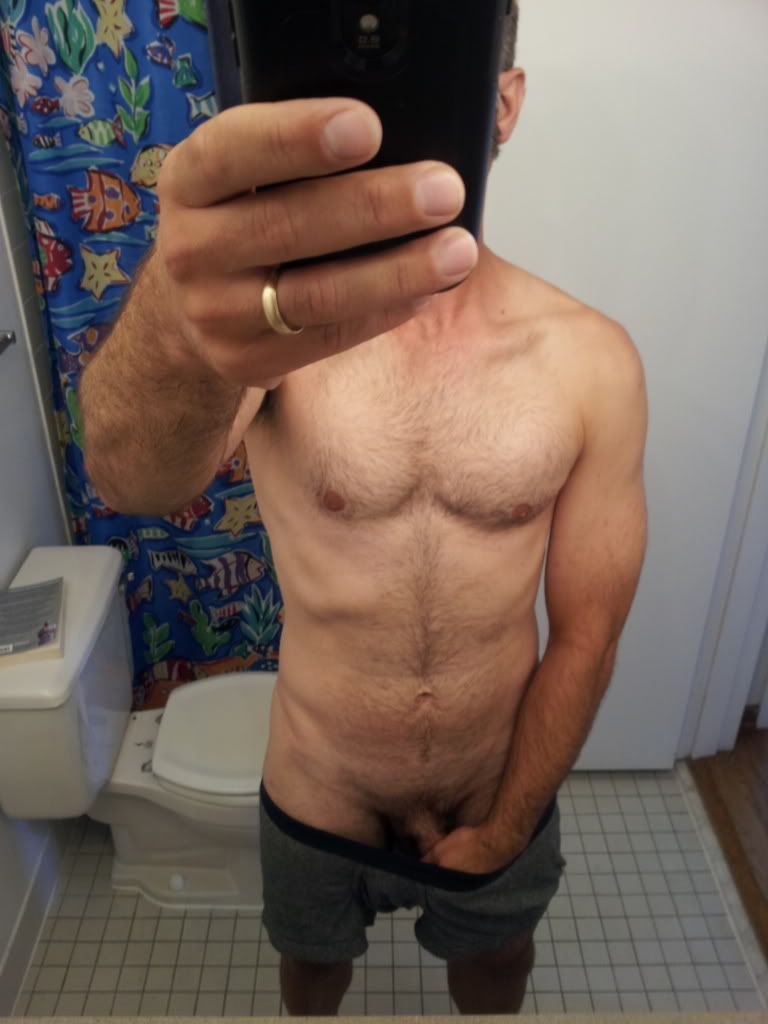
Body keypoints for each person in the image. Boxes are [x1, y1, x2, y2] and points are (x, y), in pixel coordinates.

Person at [80, 6, 648, 1015]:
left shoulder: (591, 359)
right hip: (320, 784)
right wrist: (178, 303)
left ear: (502, 104)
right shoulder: (269, 342)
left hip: (495, 784)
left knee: (496, 970)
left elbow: (589, 632)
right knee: (312, 973)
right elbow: (131, 481)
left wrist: (508, 825)